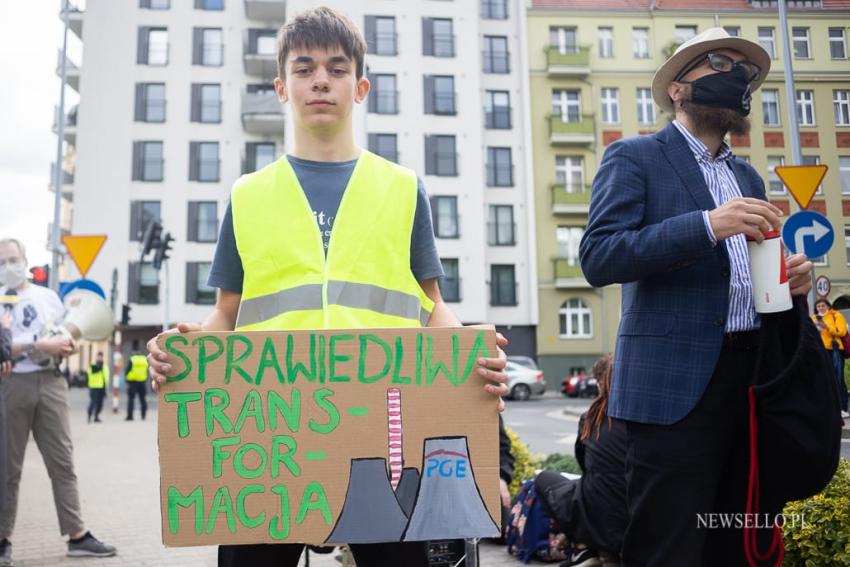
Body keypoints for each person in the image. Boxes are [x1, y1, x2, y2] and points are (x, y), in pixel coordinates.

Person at [145, 7, 509, 567]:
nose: (320, 80)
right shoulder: (247, 195)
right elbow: (227, 312)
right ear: (281, 88)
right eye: (304, 68)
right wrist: (189, 348)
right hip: (270, 441)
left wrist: (471, 362)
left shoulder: (403, 189)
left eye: (337, 69)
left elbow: (431, 305)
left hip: (388, 433)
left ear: (359, 87)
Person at [578, 28, 815, 566]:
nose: (735, 74)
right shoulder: (634, 158)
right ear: (678, 89)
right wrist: (706, 225)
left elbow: (748, 278)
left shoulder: (747, 175)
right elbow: (599, 256)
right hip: (671, 392)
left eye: (744, 69)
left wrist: (789, 280)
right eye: (718, 62)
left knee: (734, 542)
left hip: (749, 384)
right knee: (668, 548)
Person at [0, 238, 116, 565]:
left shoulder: (48, 297)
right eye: (2, 261)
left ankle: (77, 534)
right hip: (11, 384)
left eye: (13, 258)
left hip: (51, 383)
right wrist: (41, 345)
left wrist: (65, 345)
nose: (9, 266)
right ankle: (2, 538)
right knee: (7, 466)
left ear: (25, 259)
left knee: (62, 462)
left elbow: (65, 333)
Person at [535, 354, 626, 567]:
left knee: (545, 480)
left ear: (603, 383)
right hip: (639, 515)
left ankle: (586, 550)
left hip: (596, 517)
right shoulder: (649, 420)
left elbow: (585, 466)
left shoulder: (591, 416)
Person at [812, 299, 849, 418]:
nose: (821, 308)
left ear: (828, 306)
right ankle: (830, 408)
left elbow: (842, 332)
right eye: (818, 306)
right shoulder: (814, 318)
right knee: (825, 378)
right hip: (821, 350)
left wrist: (826, 327)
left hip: (835, 349)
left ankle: (843, 408)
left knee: (838, 378)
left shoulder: (836, 315)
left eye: (823, 305)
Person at [125, 345, 148, 421]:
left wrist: (126, 380)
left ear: (133, 352)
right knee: (142, 399)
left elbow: (127, 370)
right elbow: (147, 371)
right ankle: (143, 415)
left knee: (131, 399)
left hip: (132, 382)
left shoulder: (132, 359)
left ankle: (130, 416)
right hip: (142, 382)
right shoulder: (144, 359)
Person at [86, 352, 108, 423]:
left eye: (101, 357)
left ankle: (96, 416)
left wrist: (105, 386)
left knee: (100, 403)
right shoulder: (93, 366)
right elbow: (89, 373)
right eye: (98, 357)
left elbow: (106, 377)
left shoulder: (104, 366)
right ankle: (89, 414)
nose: (100, 358)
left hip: (102, 387)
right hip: (94, 387)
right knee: (93, 402)